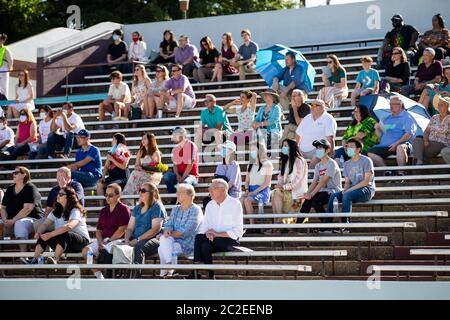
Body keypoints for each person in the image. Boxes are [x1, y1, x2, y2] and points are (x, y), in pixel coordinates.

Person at [191, 179, 243, 279]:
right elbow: (205, 226)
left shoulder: (235, 204)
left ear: (223, 190)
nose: (210, 191)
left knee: (199, 239)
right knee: (204, 245)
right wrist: (208, 233)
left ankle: (195, 269)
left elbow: (237, 232)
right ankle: (210, 275)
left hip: (229, 241)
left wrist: (217, 234)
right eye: (209, 188)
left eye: (213, 188)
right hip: (212, 239)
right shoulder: (210, 205)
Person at [31, 186, 90, 264]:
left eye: (61, 194)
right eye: (58, 194)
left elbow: (69, 226)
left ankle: (55, 259)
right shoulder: (56, 211)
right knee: (44, 233)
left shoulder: (76, 210)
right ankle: (34, 260)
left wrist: (51, 234)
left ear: (69, 197)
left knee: (65, 233)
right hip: (64, 243)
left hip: (81, 243)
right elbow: (45, 224)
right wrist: (38, 232)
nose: (58, 196)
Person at [83, 183, 130, 279]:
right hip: (104, 240)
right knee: (86, 251)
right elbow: (98, 230)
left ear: (118, 195)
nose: (107, 198)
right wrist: (100, 242)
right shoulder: (104, 210)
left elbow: (122, 230)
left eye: (111, 195)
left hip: (118, 241)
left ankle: (109, 276)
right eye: (106, 195)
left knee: (105, 251)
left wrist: (108, 241)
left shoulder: (124, 209)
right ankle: (99, 276)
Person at [327, 139, 375, 229]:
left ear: (358, 149)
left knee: (347, 195)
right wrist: (345, 190)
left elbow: (366, 182)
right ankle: (327, 225)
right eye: (347, 146)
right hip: (353, 190)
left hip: (367, 189)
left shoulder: (366, 160)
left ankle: (345, 225)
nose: (348, 148)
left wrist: (348, 191)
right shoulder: (346, 164)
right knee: (334, 196)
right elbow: (347, 182)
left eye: (351, 147)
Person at [158, 183, 203, 277]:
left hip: (188, 243)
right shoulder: (175, 209)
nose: (176, 194)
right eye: (177, 192)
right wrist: (167, 231)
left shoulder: (196, 210)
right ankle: (169, 270)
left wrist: (168, 234)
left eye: (180, 192)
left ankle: (166, 273)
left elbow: (186, 231)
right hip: (173, 240)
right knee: (164, 241)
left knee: (162, 246)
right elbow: (169, 224)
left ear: (190, 195)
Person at [1, 167, 44, 258]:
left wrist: (13, 220)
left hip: (32, 219)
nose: (13, 174)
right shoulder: (10, 189)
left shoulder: (30, 188)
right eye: (13, 173)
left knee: (19, 224)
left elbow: (28, 208)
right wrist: (5, 219)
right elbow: (3, 207)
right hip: (11, 219)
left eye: (16, 173)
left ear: (24, 174)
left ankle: (23, 256)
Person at [124, 182, 165, 276]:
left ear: (152, 193)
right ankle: (113, 278)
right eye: (139, 190)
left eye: (143, 191)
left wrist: (137, 240)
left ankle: (136, 279)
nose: (140, 193)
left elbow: (155, 229)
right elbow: (130, 228)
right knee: (117, 248)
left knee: (138, 247)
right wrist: (126, 240)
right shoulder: (137, 208)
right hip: (135, 239)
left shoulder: (157, 207)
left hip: (154, 239)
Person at [368, 96, 417, 174]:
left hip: (402, 144)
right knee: (370, 153)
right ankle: (387, 171)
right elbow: (380, 136)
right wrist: (377, 129)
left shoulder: (407, 117)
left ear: (400, 105)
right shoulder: (386, 119)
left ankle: (401, 173)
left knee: (400, 147)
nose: (391, 106)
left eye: (393, 104)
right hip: (386, 146)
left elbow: (409, 134)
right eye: (390, 104)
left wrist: (396, 143)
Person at [299, 140, 342, 227]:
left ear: (327, 150)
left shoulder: (331, 163)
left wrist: (311, 194)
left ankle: (326, 225)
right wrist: (307, 194)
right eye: (317, 148)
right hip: (323, 192)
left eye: (321, 148)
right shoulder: (318, 165)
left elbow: (323, 181)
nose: (318, 150)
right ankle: (297, 225)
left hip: (334, 192)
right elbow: (314, 182)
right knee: (308, 200)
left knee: (315, 200)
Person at [268, 139, 308, 233]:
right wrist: (279, 184)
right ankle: (278, 222)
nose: (283, 148)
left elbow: (298, 180)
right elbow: (281, 177)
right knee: (274, 192)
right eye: (283, 146)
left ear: (292, 147)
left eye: (286, 145)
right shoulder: (286, 162)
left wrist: (283, 187)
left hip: (297, 194)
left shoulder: (299, 161)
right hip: (287, 192)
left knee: (276, 193)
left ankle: (277, 224)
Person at [34, 166, 84, 233]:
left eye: (61, 176)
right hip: (58, 216)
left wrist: (63, 187)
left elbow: (73, 199)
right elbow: (48, 208)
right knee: (37, 224)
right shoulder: (54, 190)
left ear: (68, 177)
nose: (59, 179)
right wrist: (47, 220)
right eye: (57, 177)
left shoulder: (77, 186)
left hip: (72, 217)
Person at [296, 99, 337, 167]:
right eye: (311, 105)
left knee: (319, 153)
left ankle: (309, 174)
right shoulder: (307, 117)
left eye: (315, 105)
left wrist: (330, 153)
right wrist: (296, 147)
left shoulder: (329, 119)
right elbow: (298, 134)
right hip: (302, 149)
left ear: (322, 107)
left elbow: (330, 138)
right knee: (289, 151)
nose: (312, 107)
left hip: (318, 149)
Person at [122, 133, 163, 202]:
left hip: (152, 175)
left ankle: (128, 197)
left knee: (135, 174)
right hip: (142, 173)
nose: (142, 141)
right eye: (142, 139)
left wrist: (147, 169)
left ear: (150, 140)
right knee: (135, 173)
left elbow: (158, 168)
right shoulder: (140, 152)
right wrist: (139, 168)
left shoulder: (155, 153)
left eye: (145, 139)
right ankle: (128, 197)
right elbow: (136, 166)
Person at [241, 142, 273, 225]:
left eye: (254, 150)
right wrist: (247, 190)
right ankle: (242, 225)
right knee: (241, 200)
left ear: (260, 151)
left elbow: (267, 183)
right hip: (251, 190)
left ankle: (252, 225)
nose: (252, 152)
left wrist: (254, 192)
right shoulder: (250, 165)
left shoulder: (268, 164)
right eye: (251, 150)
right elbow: (247, 181)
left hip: (262, 191)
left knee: (247, 200)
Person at [203, 140, 242, 209]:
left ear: (231, 151)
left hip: (232, 193)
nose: (222, 150)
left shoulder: (235, 165)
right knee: (207, 201)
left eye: (225, 148)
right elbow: (215, 181)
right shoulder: (219, 166)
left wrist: (221, 193)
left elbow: (231, 182)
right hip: (220, 192)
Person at [413, 95, 450, 164]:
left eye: (441, 105)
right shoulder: (434, 117)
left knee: (419, 151)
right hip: (429, 142)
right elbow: (426, 131)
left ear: (447, 106)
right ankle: (419, 161)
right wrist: (425, 140)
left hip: (442, 143)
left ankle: (418, 163)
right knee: (417, 140)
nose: (438, 106)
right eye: (438, 105)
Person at [163, 127, 199, 193]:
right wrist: (177, 175)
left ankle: (180, 198)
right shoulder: (176, 148)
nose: (173, 136)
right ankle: (174, 196)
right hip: (179, 175)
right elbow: (175, 165)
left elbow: (190, 164)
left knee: (186, 182)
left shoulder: (191, 145)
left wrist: (183, 178)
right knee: (167, 176)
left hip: (191, 176)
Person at [0, 33, 13, 100]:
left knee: (4, 87)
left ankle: (4, 101)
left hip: (3, 69)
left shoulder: (5, 49)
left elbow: (10, 59)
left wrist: (10, 68)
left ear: (2, 40)